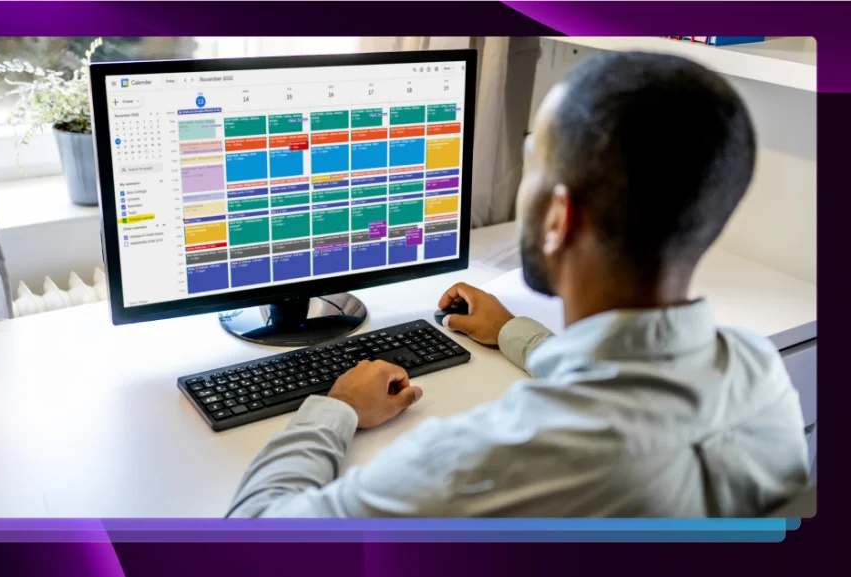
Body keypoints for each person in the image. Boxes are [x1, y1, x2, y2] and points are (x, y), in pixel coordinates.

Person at [226, 51, 810, 518]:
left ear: (560, 217)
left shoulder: (485, 462)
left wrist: (335, 409)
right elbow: (628, 385)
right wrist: (513, 332)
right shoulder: (759, 372)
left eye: (535, 159)